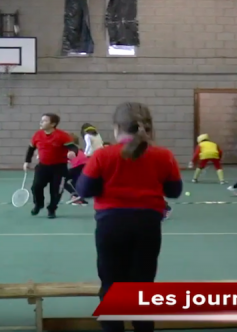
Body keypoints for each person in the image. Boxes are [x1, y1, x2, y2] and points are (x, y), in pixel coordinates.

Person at [76, 102, 182, 332]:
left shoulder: (103, 155)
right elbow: (174, 191)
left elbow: (84, 190)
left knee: (111, 284)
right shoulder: (163, 155)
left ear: (116, 128)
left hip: (111, 226)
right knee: (143, 285)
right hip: (147, 226)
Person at [24, 113, 78, 219]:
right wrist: (27, 161)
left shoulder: (62, 136)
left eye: (45, 121)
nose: (41, 122)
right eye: (41, 120)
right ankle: (39, 204)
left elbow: (73, 147)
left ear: (53, 124)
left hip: (59, 168)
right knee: (36, 187)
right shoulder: (37, 135)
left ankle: (52, 209)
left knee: (56, 190)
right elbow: (31, 149)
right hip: (43, 167)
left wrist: (73, 152)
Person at [65, 134, 89, 206]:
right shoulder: (78, 148)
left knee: (61, 180)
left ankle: (75, 195)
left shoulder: (70, 148)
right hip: (85, 166)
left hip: (80, 166)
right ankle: (80, 198)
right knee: (74, 181)